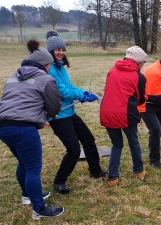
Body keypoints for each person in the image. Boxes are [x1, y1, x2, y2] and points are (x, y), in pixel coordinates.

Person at [0, 40, 65, 219]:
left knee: (24, 163)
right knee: (33, 168)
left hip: (1, 126)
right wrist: (47, 114)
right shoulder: (46, 78)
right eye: (49, 65)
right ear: (45, 65)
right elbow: (54, 107)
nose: (50, 68)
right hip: (23, 128)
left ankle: (28, 195)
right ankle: (39, 209)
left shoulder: (13, 76)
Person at [46, 30, 107, 194]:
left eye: (63, 50)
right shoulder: (50, 69)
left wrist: (84, 92)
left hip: (70, 113)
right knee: (73, 149)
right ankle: (59, 181)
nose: (61, 53)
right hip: (58, 116)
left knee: (88, 139)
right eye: (57, 50)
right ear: (51, 51)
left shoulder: (60, 67)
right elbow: (63, 92)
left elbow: (70, 87)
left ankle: (95, 171)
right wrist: (81, 96)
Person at [100, 46, 147, 186]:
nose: (144, 64)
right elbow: (141, 99)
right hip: (126, 115)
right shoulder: (138, 76)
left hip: (107, 113)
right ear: (138, 62)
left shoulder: (112, 70)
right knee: (134, 143)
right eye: (144, 62)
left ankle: (112, 178)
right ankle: (139, 171)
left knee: (116, 145)